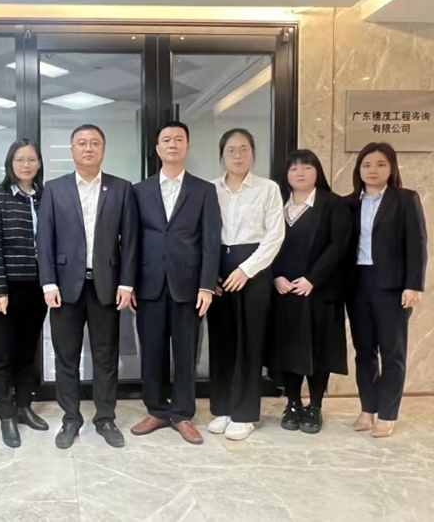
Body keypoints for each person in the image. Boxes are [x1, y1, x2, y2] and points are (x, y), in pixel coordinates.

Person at [37, 124, 138, 449]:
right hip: (64, 288)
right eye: (81, 143)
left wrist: (127, 283)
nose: (88, 148)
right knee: (66, 356)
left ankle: (105, 418)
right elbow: (45, 239)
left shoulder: (121, 188)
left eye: (95, 143)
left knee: (106, 356)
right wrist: (48, 282)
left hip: (106, 286)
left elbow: (130, 240)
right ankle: (71, 418)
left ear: (103, 150)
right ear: (72, 150)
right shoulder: (55, 189)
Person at [130, 121, 220, 445]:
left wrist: (206, 285)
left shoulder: (204, 190)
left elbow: (211, 241)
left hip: (189, 286)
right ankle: (155, 410)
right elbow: (131, 241)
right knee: (152, 352)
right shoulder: (138, 191)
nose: (172, 144)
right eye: (166, 140)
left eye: (178, 139)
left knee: (185, 353)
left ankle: (182, 414)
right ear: (157, 149)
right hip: (149, 284)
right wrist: (129, 283)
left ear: (187, 147)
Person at [207, 128, 285, 441]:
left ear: (253, 153)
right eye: (231, 150)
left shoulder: (268, 189)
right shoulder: (210, 189)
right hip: (218, 268)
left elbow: (275, 236)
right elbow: (202, 233)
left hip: (254, 268)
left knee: (250, 342)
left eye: (244, 149)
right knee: (222, 340)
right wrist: (210, 274)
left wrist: (246, 270)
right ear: (222, 155)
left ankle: (245, 414)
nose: (238, 155)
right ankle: (224, 408)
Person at [346, 142, 427, 438]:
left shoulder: (405, 200)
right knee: (364, 352)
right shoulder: (349, 203)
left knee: (392, 352)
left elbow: (418, 244)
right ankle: (368, 408)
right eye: (366, 164)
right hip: (357, 285)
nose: (373, 170)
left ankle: (387, 413)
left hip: (393, 287)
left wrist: (413, 285)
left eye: (380, 164)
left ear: (391, 168)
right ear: (359, 169)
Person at [269, 150, 352, 434]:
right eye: (294, 168)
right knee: (288, 349)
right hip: (283, 292)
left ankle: (315, 406)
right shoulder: (276, 203)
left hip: (320, 292)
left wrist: (313, 279)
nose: (300, 172)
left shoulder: (333, 204)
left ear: (317, 171)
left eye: (306, 167)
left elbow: (339, 245)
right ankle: (292, 403)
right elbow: (264, 242)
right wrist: (275, 276)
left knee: (319, 350)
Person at [0, 138, 49, 448]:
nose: (26, 164)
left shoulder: (45, 197)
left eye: (31, 159)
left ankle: (24, 406)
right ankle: (6, 415)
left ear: (39, 164)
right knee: (2, 354)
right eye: (20, 159)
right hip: (6, 289)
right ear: (10, 163)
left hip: (38, 288)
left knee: (27, 353)